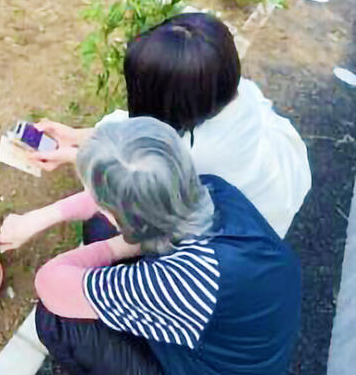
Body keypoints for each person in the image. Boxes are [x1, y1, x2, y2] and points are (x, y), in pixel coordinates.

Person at [0, 117, 301, 375]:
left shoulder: (184, 279)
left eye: (106, 207)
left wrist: (117, 247)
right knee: (101, 232)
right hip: (227, 348)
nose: (99, 207)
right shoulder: (213, 191)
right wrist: (37, 219)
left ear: (133, 220)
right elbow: (121, 198)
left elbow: (49, 284)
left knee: (58, 319)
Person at [29, 13, 311, 240]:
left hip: (241, 233)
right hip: (275, 185)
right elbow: (140, 133)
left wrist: (71, 155)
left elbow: (130, 174)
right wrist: (75, 135)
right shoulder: (227, 92)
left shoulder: (197, 155)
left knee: (103, 229)